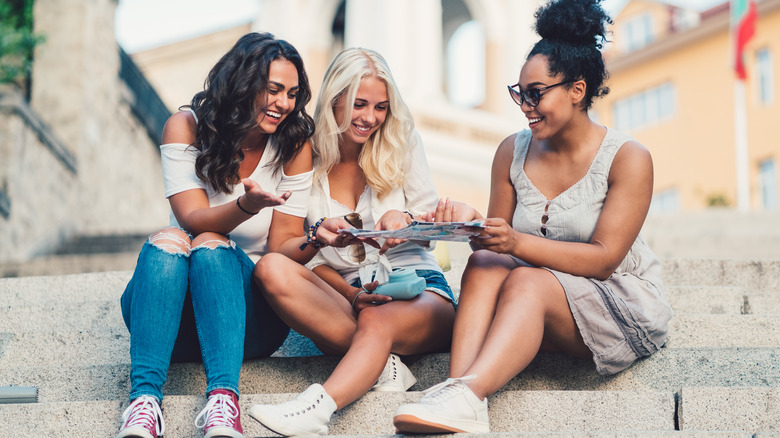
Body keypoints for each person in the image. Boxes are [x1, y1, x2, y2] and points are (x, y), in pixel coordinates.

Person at [392, 0, 673, 433]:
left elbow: (603, 259)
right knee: (485, 262)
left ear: (577, 91)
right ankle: (457, 391)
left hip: (617, 300)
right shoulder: (511, 150)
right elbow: (498, 245)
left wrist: (515, 244)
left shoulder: (628, 158)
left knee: (526, 277)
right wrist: (471, 224)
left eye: (536, 93)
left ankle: (467, 394)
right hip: (538, 291)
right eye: (519, 93)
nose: (525, 105)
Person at [246, 48, 457, 436]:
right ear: (335, 99)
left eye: (380, 107)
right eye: (359, 104)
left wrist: (405, 221)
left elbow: (436, 228)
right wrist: (322, 242)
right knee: (270, 268)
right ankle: (383, 364)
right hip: (347, 299)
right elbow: (286, 251)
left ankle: (317, 409)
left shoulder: (401, 140)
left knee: (377, 317)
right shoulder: (301, 152)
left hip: (417, 288)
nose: (370, 118)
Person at [116, 32, 315, 438]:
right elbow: (193, 217)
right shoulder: (185, 127)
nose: (284, 103)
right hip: (168, 322)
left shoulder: (293, 144)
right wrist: (246, 207)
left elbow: (281, 248)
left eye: (292, 93)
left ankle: (224, 401)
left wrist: (319, 240)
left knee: (210, 244)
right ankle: (143, 404)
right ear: (242, 83)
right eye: (273, 89)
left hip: (248, 324)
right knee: (172, 238)